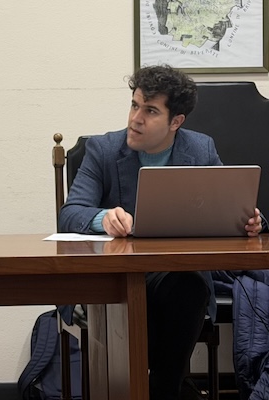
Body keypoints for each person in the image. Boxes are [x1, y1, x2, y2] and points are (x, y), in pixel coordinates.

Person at [58, 65, 265, 400]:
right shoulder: (103, 150)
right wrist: (103, 218)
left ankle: (160, 388)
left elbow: (230, 204)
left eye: (150, 111)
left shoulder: (200, 149)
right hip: (118, 276)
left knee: (190, 285)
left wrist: (251, 221)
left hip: (177, 276)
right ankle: (167, 387)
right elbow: (70, 213)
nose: (135, 118)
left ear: (176, 122)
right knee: (159, 298)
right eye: (134, 105)